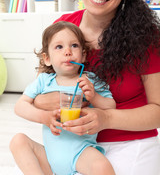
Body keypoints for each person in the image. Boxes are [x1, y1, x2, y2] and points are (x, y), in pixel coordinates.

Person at [31, 0, 160, 175]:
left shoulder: (146, 37)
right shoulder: (63, 28)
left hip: (129, 143)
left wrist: (106, 117)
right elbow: (39, 95)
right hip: (71, 145)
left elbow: (158, 110)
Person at [10, 21, 116, 175]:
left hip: (81, 152)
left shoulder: (91, 80)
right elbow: (20, 106)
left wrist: (94, 97)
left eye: (74, 46)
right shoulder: (44, 81)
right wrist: (44, 117)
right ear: (47, 58)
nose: (67, 51)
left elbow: (110, 106)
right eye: (59, 47)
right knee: (18, 141)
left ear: (83, 54)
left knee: (102, 166)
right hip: (50, 157)